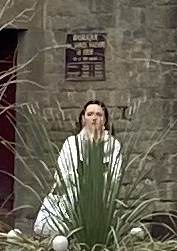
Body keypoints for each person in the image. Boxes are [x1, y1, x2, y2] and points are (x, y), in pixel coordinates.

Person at [37, 96, 119, 233]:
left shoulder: (113, 146)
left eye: (99, 115)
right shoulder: (71, 143)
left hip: (99, 205)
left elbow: (115, 177)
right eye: (90, 114)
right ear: (83, 119)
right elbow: (61, 173)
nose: (94, 118)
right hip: (69, 202)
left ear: (104, 120)